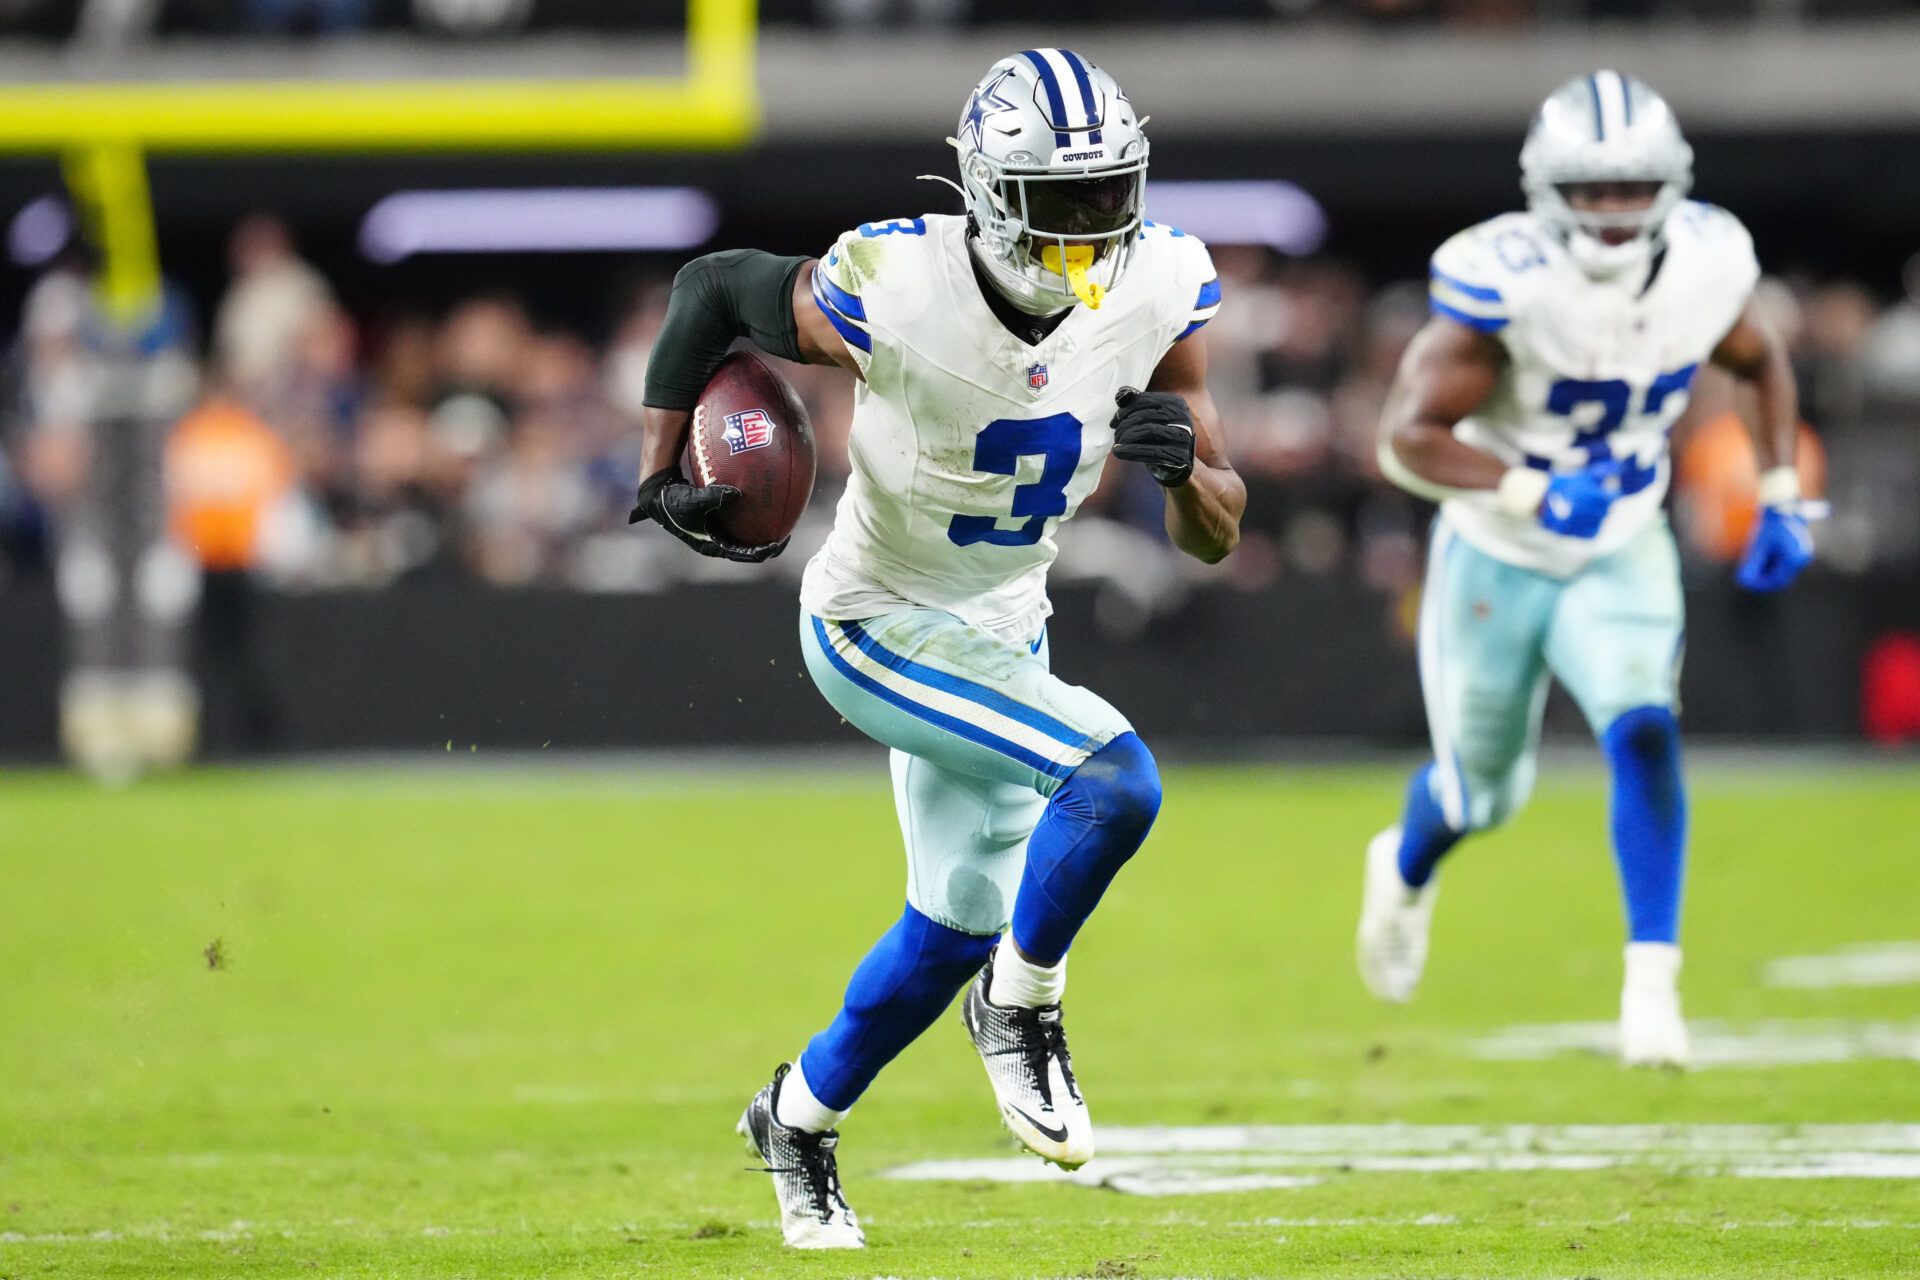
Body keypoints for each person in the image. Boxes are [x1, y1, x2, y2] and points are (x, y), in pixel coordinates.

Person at [632, 48, 1243, 1248]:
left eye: (1106, 198)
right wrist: (657, 470)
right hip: (876, 619)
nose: (1088, 233)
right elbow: (710, 289)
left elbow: (1216, 529)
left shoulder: (1164, 280)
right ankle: (1021, 1009)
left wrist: (1189, 475)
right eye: (1058, 206)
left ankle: (796, 1117)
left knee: (952, 923)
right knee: (1114, 779)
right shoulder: (898, 283)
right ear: (988, 192)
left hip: (1007, 618)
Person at [1361, 71, 1814, 1069]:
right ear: (1547, 190)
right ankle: (1402, 861)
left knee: (1643, 723)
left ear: (1672, 184)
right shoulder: (1507, 281)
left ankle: (1652, 979)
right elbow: (1404, 440)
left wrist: (1781, 486)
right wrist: (1528, 488)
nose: (1613, 210)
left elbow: (1762, 360)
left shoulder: (1706, 260)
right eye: (1592, 188)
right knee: (1485, 793)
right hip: (1498, 546)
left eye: (1633, 187)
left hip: (1620, 541)